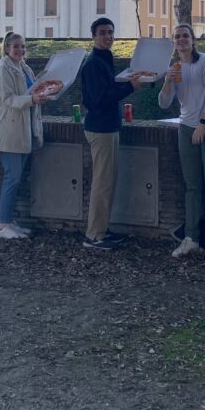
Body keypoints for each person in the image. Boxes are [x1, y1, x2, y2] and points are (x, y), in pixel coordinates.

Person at [158, 23, 205, 262]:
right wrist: (167, 81)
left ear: (193, 39)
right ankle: (191, 238)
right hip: (185, 127)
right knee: (192, 186)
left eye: (185, 35)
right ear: (173, 42)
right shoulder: (175, 67)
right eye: (177, 37)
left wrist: (204, 123)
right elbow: (164, 103)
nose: (181, 39)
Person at [80, 17, 142, 250]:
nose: (108, 36)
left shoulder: (104, 59)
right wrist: (129, 88)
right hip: (101, 128)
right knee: (102, 183)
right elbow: (98, 100)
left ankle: (102, 230)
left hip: (107, 127)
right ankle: (94, 236)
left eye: (111, 32)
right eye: (103, 32)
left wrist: (128, 82)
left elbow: (108, 90)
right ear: (93, 36)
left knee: (107, 182)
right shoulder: (94, 63)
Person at [0, 33, 50, 239]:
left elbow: (30, 89)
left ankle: (8, 221)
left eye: (23, 47)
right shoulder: (3, 70)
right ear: (7, 48)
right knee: (12, 178)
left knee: (16, 178)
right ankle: (2, 225)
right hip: (10, 129)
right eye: (16, 47)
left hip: (24, 129)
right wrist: (32, 99)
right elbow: (6, 100)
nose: (20, 50)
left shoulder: (24, 67)